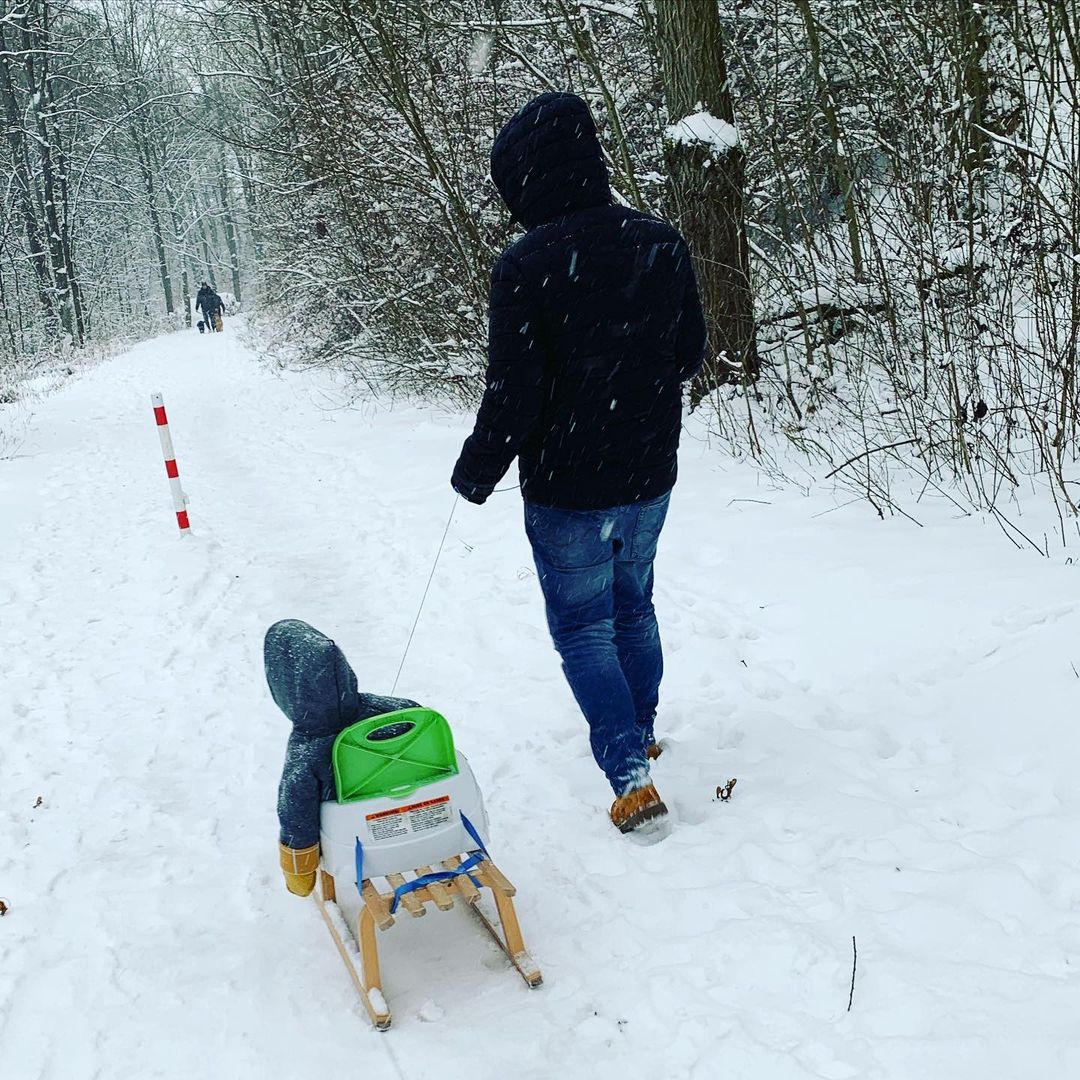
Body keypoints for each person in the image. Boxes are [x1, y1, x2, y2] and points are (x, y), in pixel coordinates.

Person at [451, 92, 706, 835]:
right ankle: (641, 727)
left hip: (568, 489)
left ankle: (630, 775)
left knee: (585, 628)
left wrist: (477, 468)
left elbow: (515, 393)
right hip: (649, 472)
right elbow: (687, 354)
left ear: (525, 181)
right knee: (634, 606)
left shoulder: (524, 266)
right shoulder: (660, 242)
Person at [265, 619, 418, 895]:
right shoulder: (396, 711)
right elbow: (422, 731)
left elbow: (296, 821)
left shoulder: (305, 755)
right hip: (421, 822)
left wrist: (298, 876)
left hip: (358, 846)